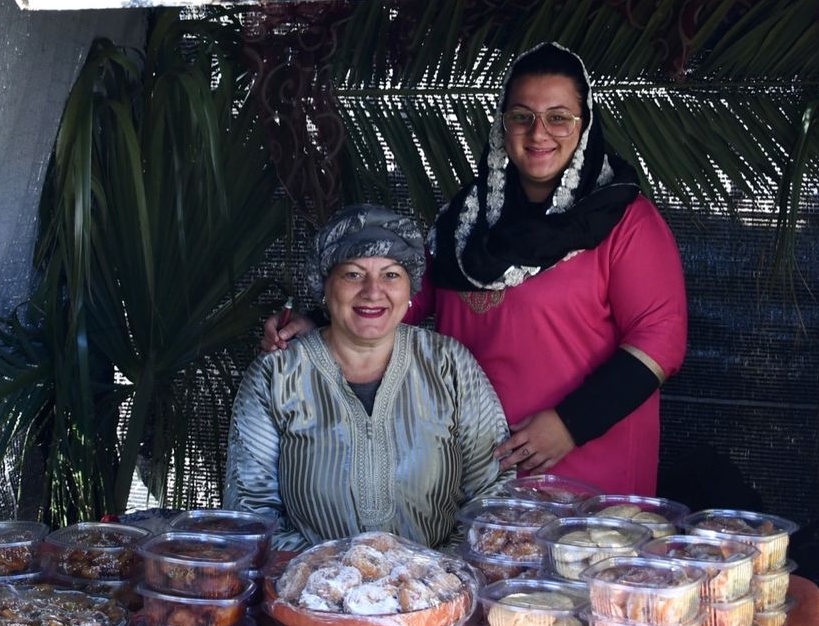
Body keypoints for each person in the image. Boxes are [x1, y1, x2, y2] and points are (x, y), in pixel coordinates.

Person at [264, 43, 687, 496]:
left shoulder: (624, 221)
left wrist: (569, 425)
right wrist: (318, 322)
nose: (538, 132)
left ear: (585, 127)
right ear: (502, 126)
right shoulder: (463, 223)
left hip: (586, 479)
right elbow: (405, 297)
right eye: (521, 116)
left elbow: (660, 339)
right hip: (471, 475)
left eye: (559, 117)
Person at [226, 205, 511, 551]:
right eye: (353, 275)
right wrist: (328, 578)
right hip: (308, 594)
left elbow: (493, 495)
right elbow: (250, 511)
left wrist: (439, 574)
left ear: (411, 291)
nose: (373, 291)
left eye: (391, 274)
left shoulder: (449, 366)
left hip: (442, 591)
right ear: (324, 287)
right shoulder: (277, 376)